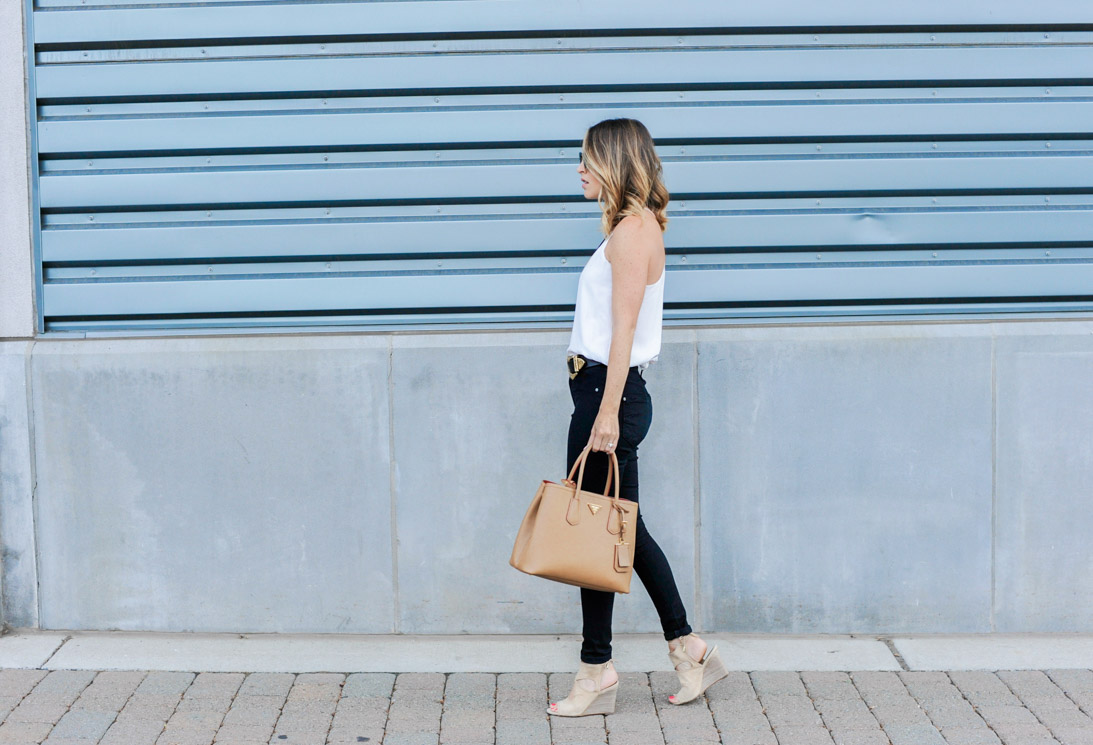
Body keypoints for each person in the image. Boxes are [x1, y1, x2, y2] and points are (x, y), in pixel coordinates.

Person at [547, 118, 729, 718]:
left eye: (587, 160)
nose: (579, 169)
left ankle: (597, 670)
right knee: (621, 530)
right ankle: (687, 647)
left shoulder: (630, 233)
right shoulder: (639, 226)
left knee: (598, 535)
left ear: (614, 163)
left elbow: (622, 332)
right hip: (610, 393)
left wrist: (604, 414)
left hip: (609, 395)